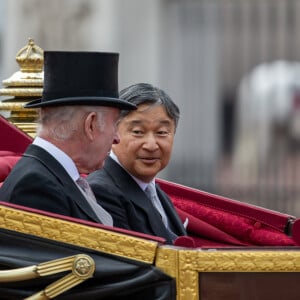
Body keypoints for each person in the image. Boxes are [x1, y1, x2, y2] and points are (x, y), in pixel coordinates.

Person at [0, 51, 136, 226]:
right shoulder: (37, 186)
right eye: (115, 124)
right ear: (91, 124)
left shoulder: (49, 174)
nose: (117, 138)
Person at [87, 83, 187, 243]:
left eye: (161, 133)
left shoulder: (154, 191)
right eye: (138, 132)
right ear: (113, 132)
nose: (151, 145)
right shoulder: (101, 192)